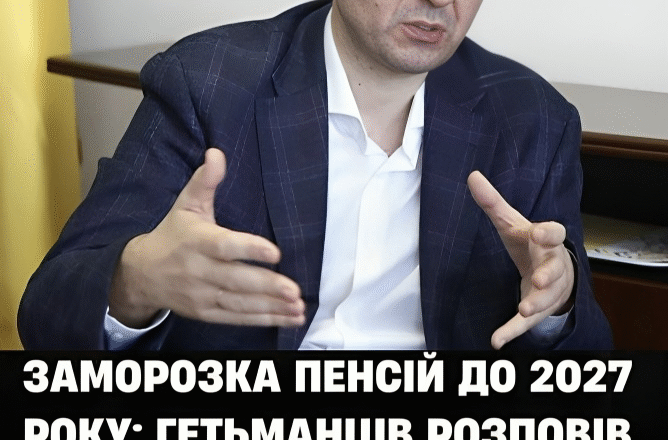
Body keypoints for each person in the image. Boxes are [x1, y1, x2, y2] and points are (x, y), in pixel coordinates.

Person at [18, 0, 612, 350]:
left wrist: (557, 304)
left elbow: (586, 360)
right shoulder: (208, 83)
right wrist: (136, 280)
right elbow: (46, 315)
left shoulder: (534, 120)